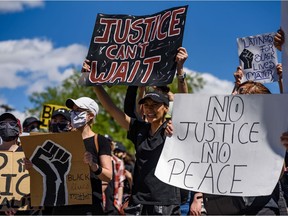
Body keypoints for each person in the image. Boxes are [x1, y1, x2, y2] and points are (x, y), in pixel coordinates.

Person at [93, 85, 181, 214]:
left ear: (166, 108)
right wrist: (95, 84)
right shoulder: (139, 129)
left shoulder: (171, 130)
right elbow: (112, 109)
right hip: (138, 201)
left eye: (155, 104)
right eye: (146, 105)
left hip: (163, 201)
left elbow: (181, 104)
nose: (150, 108)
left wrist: (169, 89)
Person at [50, 96, 113, 215]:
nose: (73, 114)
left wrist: (93, 165)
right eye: (72, 110)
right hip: (62, 205)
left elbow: (108, 176)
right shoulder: (63, 139)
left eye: (78, 110)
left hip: (88, 207)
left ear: (91, 116)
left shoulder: (99, 141)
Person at [102, 135, 126, 215]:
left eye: (108, 143)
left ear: (112, 146)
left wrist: (119, 201)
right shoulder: (96, 161)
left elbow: (120, 184)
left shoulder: (118, 162)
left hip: (113, 205)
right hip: (100, 204)